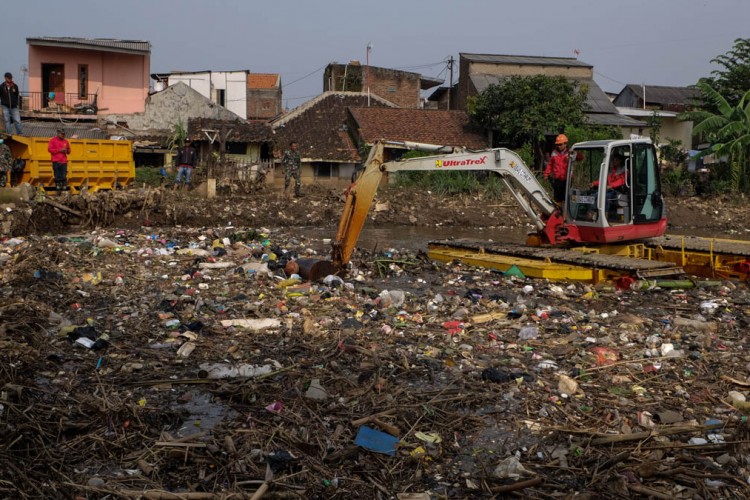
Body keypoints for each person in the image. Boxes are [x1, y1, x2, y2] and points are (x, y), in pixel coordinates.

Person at [543, 134, 570, 203]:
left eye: (560, 144)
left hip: (567, 179)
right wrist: (546, 174)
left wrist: (573, 156)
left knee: (566, 197)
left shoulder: (570, 152)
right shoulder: (554, 153)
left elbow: (580, 157)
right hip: (557, 179)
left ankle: (565, 211)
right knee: (557, 198)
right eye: (558, 144)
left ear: (565, 144)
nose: (559, 146)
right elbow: (550, 164)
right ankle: (559, 211)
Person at [48, 129, 71, 194]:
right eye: (62, 134)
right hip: (56, 161)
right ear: (58, 133)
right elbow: (50, 149)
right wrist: (59, 150)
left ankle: (64, 188)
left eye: (64, 134)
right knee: (57, 175)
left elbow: (69, 151)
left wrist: (66, 151)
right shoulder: (52, 140)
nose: (63, 135)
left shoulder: (66, 141)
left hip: (64, 161)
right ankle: (58, 188)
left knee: (63, 175)